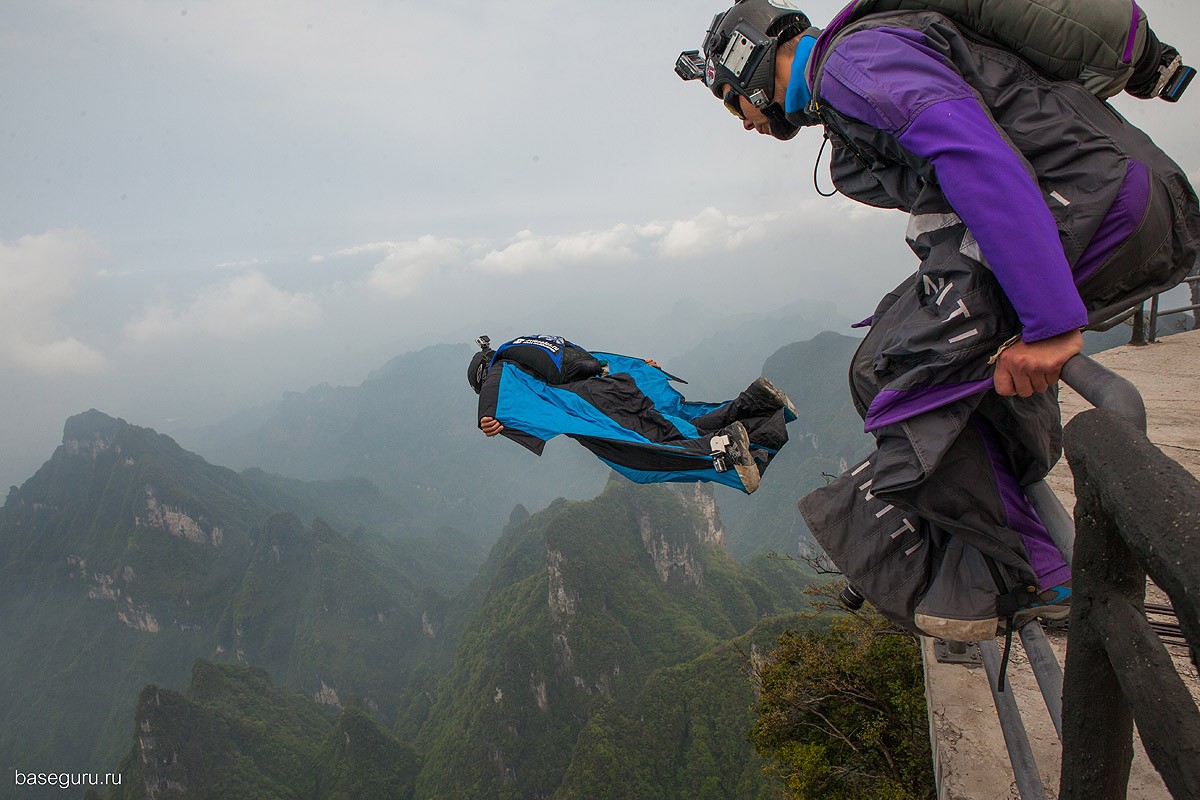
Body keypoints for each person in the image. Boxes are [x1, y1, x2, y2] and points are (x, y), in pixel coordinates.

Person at [677, 0, 1200, 639]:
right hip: (1103, 196)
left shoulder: (853, 62)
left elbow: (974, 157)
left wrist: (1050, 323)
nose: (744, 121)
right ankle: (1026, 560)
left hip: (1097, 203)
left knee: (895, 370)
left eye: (734, 103)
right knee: (891, 357)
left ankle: (1032, 571)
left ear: (749, 65)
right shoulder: (850, 88)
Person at [468, 334, 797, 494]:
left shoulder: (501, 365)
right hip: (617, 385)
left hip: (597, 404)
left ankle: (723, 452)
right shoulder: (539, 347)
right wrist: (641, 367)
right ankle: (757, 404)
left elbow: (493, 389)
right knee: (680, 427)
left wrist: (487, 415)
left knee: (639, 461)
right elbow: (595, 358)